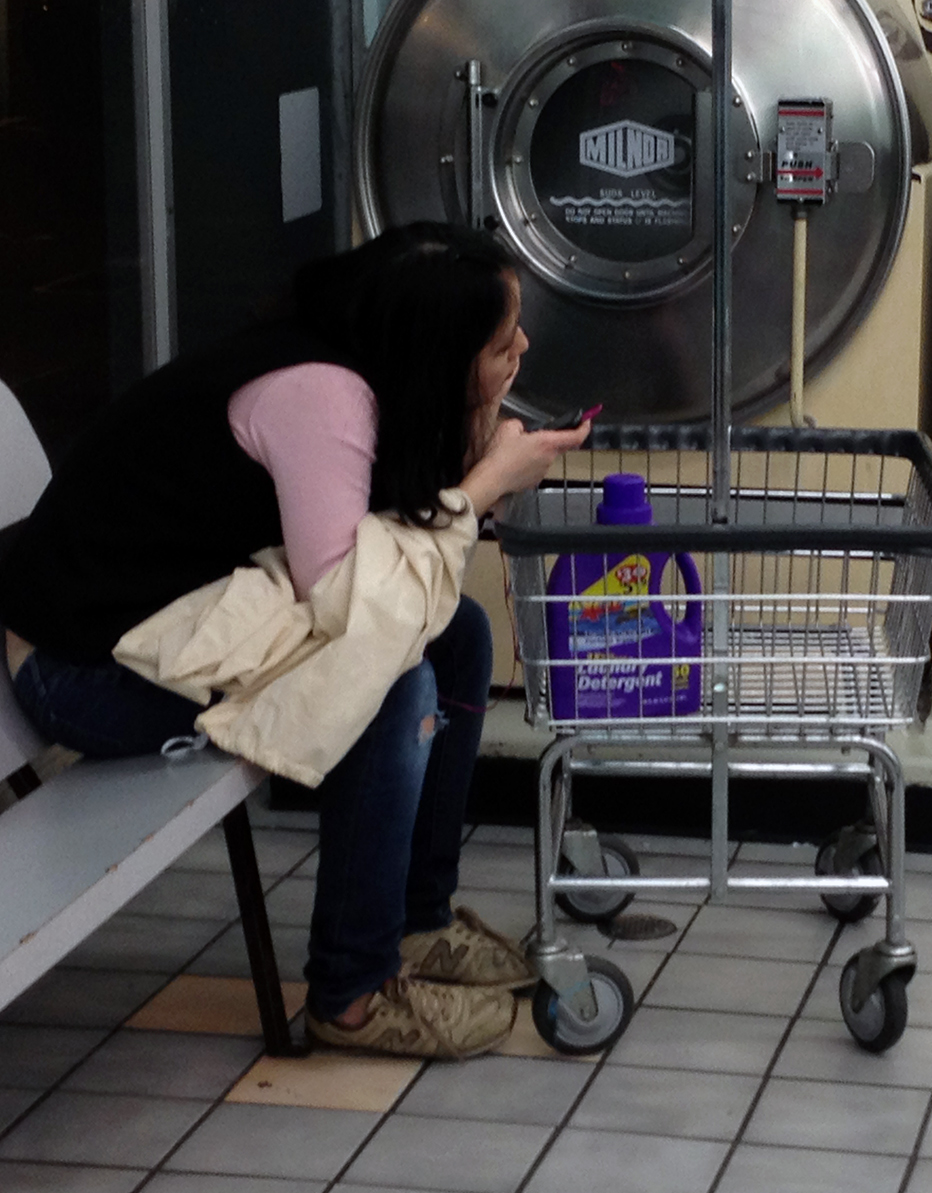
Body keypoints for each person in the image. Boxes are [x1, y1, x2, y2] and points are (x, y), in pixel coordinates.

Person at [0, 222, 590, 1057]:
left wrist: (475, 433)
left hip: (170, 623)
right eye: (500, 343)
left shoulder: (364, 360)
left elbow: (388, 559)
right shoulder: (322, 397)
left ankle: (420, 923)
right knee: (393, 684)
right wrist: (487, 480)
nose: (522, 348)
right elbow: (353, 608)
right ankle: (350, 992)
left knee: (457, 634)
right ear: (436, 351)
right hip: (81, 673)